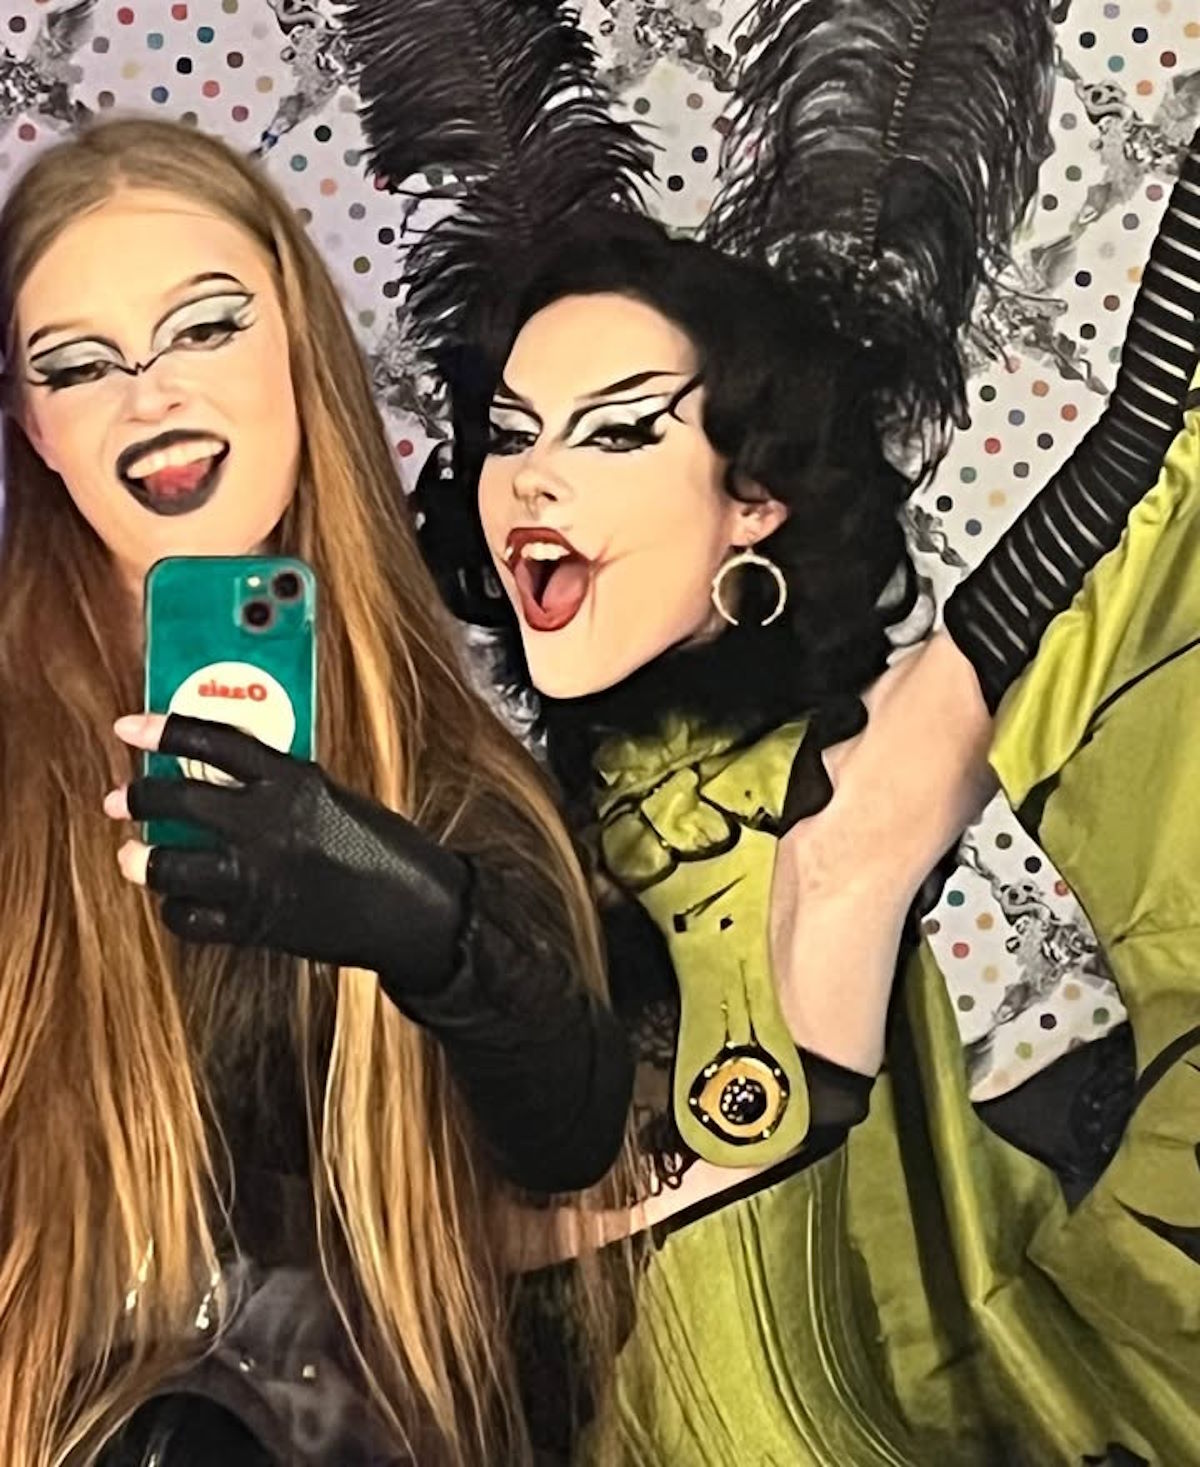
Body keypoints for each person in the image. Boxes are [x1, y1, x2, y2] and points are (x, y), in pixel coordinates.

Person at [351, 0, 1200, 1457]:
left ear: (754, 503)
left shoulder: (850, 797)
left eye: (620, 431)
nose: (533, 482)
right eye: (512, 431)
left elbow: (1139, 440)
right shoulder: (528, 808)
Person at [0, 116, 636, 1467]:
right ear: (34, 427)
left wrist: (427, 926)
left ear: (298, 348)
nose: (151, 399)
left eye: (204, 328)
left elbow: (568, 1134)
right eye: (79, 364)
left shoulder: (447, 773)